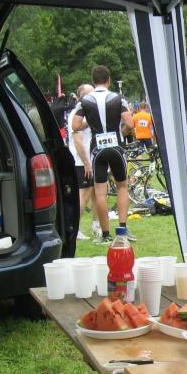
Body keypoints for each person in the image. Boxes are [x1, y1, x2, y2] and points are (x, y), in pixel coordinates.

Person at [71, 65, 135, 243]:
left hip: (97, 148)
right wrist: (121, 134)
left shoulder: (84, 101)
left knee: (100, 192)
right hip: (117, 147)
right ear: (109, 80)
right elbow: (130, 124)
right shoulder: (118, 98)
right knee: (122, 187)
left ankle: (105, 234)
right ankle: (122, 230)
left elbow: (75, 126)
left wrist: (90, 123)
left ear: (93, 81)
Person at [67, 83, 100, 240]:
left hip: (91, 158)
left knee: (97, 193)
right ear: (82, 97)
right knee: (84, 195)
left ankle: (96, 225)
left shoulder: (87, 113)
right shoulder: (76, 114)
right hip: (82, 161)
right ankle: (75, 228)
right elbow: (78, 142)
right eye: (90, 94)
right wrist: (87, 164)